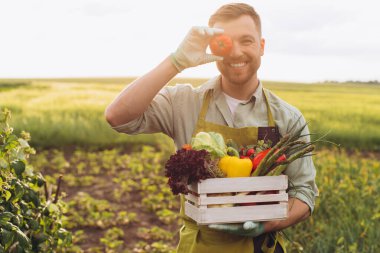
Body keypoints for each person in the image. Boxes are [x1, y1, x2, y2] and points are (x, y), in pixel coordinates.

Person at [105, 3, 318, 253]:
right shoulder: (184, 103)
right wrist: (177, 61)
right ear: (213, 47)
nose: (236, 52)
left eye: (247, 41)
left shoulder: (287, 117)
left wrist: (265, 225)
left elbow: (304, 192)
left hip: (261, 247)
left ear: (261, 46)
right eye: (226, 43)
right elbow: (117, 117)